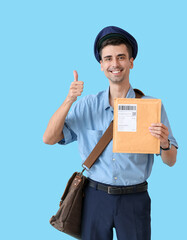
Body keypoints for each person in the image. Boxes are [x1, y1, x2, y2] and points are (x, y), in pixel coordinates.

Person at [43, 26, 178, 240]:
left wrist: (163, 143)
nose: (115, 64)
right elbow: (49, 138)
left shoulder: (150, 107)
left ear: (131, 62)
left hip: (135, 199)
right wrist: (69, 99)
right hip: (95, 198)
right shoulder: (86, 105)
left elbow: (171, 161)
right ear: (101, 65)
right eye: (108, 59)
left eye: (121, 57)